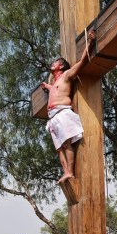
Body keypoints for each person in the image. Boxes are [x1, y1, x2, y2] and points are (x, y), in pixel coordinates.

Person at [40, 29, 97, 184]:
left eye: (56, 62)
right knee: (59, 148)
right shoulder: (54, 83)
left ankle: (70, 172)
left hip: (63, 113)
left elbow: (82, 62)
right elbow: (53, 90)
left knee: (66, 144)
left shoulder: (67, 76)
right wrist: (47, 86)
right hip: (52, 118)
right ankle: (65, 172)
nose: (53, 63)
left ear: (61, 66)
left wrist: (90, 42)